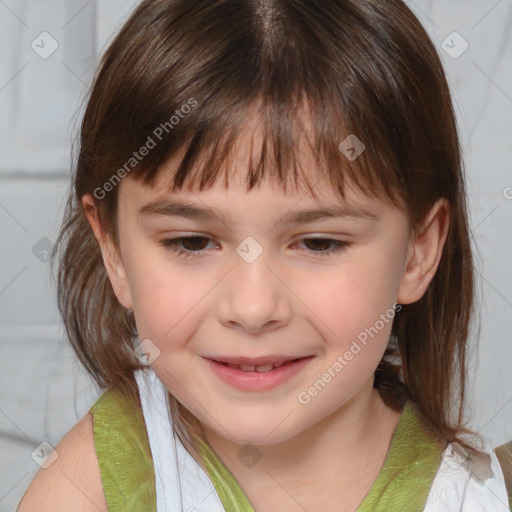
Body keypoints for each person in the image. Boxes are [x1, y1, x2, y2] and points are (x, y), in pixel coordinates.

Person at [17, 0, 510, 510]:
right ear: (114, 252)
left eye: (319, 243)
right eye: (191, 242)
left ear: (417, 252)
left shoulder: (477, 496)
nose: (252, 309)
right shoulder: (90, 486)